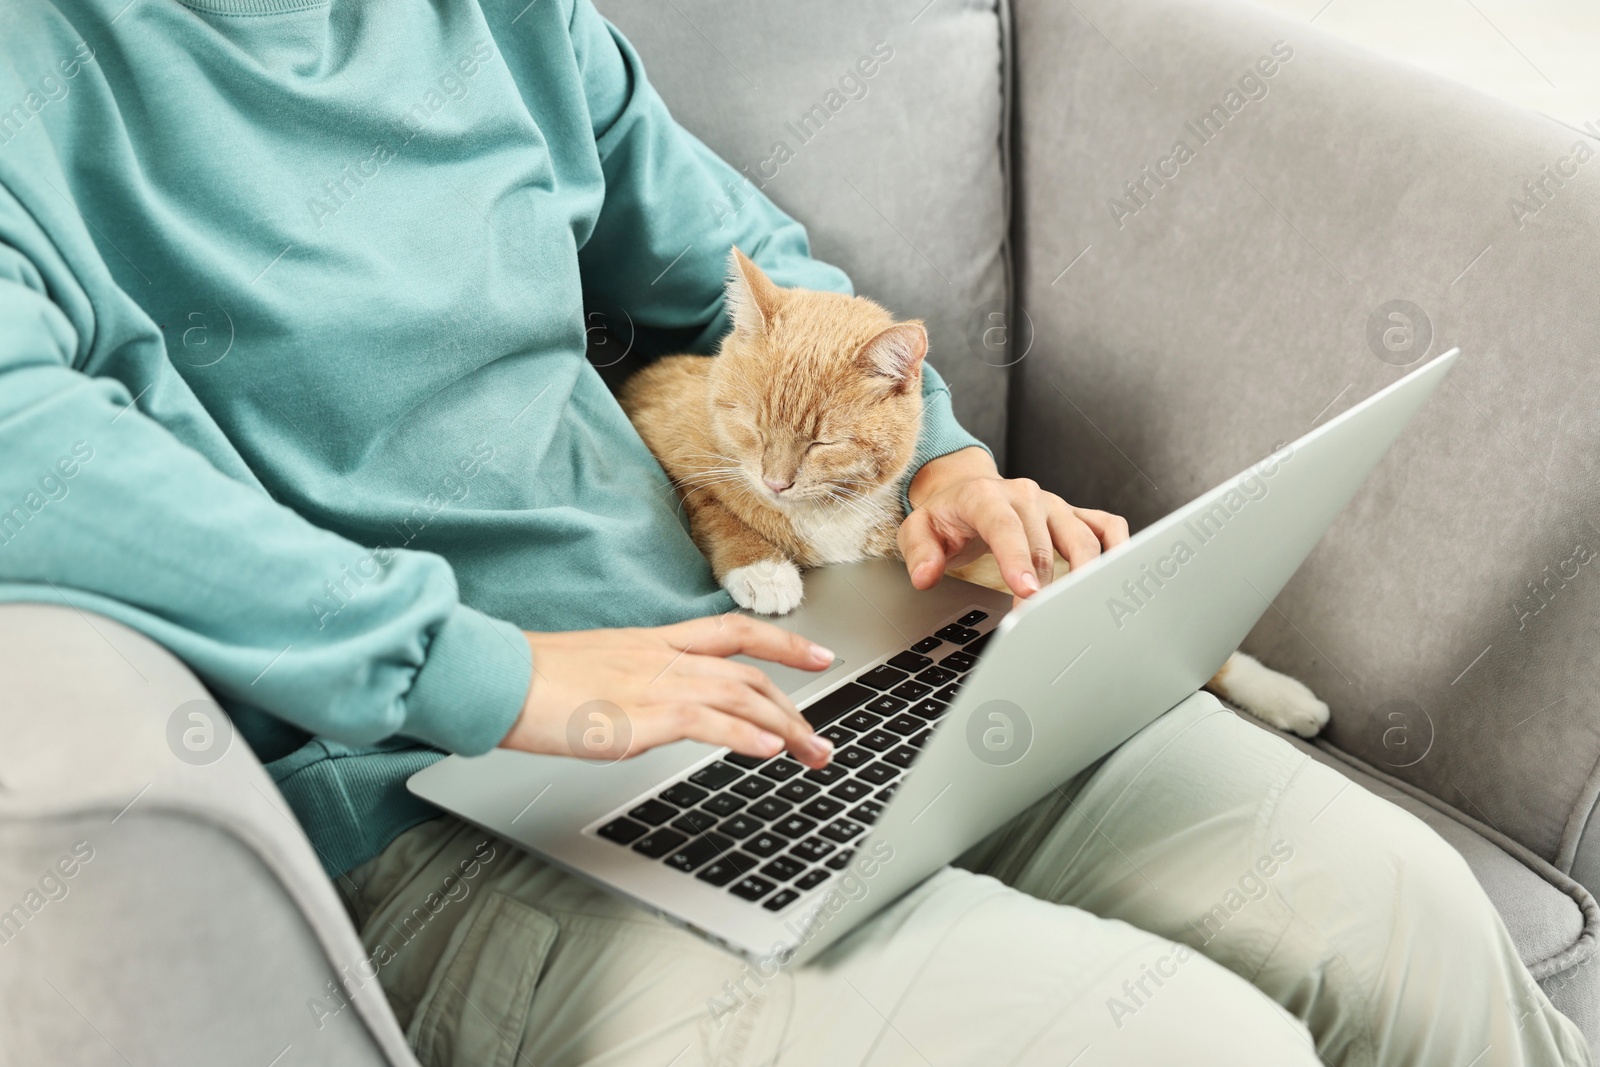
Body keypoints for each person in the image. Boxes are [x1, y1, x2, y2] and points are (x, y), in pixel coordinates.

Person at [0, 1, 1586, 1064]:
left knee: (1402, 916)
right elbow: (30, 456)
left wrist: (948, 467)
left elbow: (725, 257)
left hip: (799, 670)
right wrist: (483, 672)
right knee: (1177, 1048)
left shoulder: (501, 23)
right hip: (442, 809)